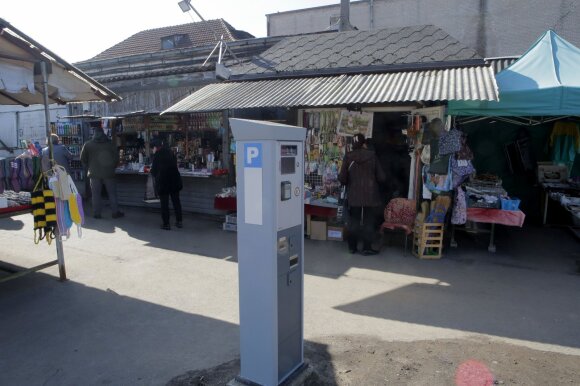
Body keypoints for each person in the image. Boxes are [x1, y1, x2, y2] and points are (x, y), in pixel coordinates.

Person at [339, 133, 386, 255]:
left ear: (353, 144)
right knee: (368, 222)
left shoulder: (348, 157)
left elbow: (342, 178)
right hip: (370, 197)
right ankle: (366, 248)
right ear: (364, 143)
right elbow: (382, 177)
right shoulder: (372, 156)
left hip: (354, 197)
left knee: (353, 221)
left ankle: (352, 247)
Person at [80, 128, 124, 219]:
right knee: (112, 193)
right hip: (109, 173)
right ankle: (115, 212)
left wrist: (89, 166)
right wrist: (112, 167)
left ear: (94, 134)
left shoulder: (88, 144)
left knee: (95, 195)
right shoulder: (110, 144)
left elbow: (83, 159)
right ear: (103, 134)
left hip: (94, 173)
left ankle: (97, 213)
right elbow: (116, 158)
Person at [150, 141, 183, 230]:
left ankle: (166, 224)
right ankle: (179, 222)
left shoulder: (157, 155)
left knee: (164, 204)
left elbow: (154, 171)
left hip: (163, 182)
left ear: (156, 147)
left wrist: (153, 172)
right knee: (176, 202)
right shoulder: (171, 152)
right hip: (174, 180)